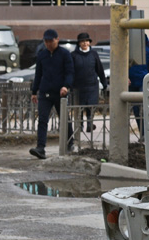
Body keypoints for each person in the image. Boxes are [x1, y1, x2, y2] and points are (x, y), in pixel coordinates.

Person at [29, 29, 73, 160]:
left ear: (57, 40)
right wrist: (34, 91)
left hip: (60, 92)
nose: (48, 44)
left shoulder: (65, 54)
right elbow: (38, 74)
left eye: (51, 41)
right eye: (46, 41)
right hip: (45, 92)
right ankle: (40, 148)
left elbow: (70, 72)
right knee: (42, 120)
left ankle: (70, 143)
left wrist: (66, 86)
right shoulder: (42, 55)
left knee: (65, 119)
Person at [69, 32, 107, 150]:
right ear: (79, 43)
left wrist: (104, 82)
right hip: (78, 86)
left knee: (91, 105)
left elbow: (99, 69)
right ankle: (79, 124)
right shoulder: (74, 55)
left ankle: (90, 123)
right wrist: (69, 84)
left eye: (87, 41)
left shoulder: (94, 54)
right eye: (82, 41)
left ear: (89, 42)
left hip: (92, 85)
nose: (85, 43)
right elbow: (70, 71)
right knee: (79, 106)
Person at [128, 35, 149, 140]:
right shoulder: (126, 45)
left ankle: (146, 135)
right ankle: (142, 134)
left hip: (144, 80)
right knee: (136, 110)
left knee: (144, 108)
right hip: (129, 82)